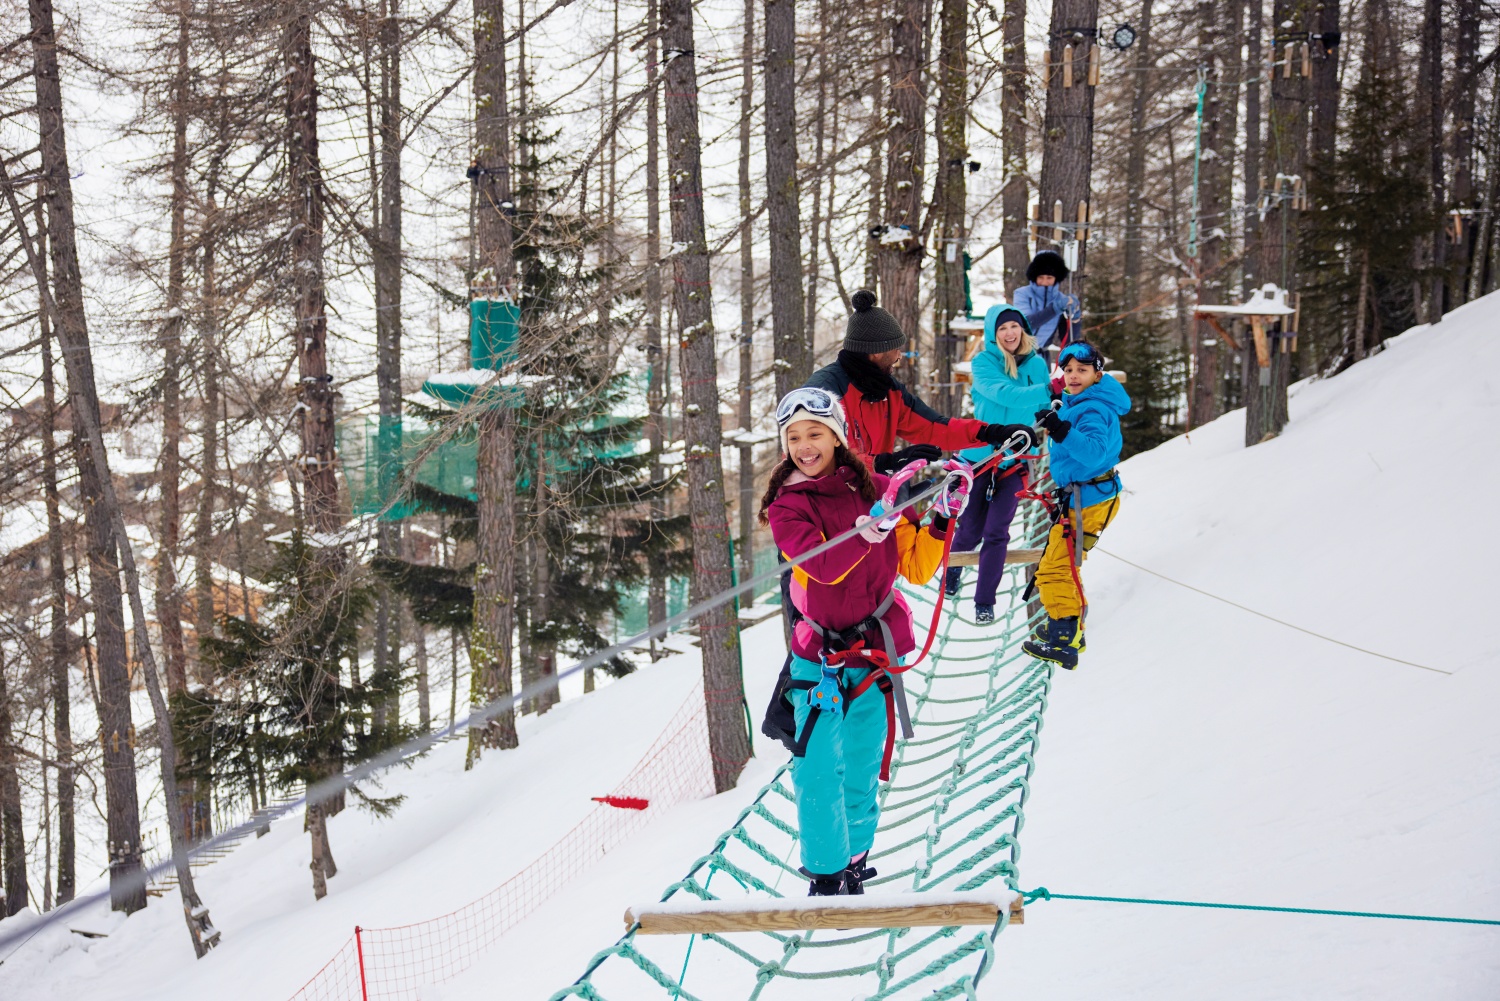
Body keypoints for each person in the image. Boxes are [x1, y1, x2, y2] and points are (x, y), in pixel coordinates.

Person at [761, 388, 972, 895]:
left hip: (875, 654)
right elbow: (823, 567)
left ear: (836, 436)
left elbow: (918, 567)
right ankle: (827, 873)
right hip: (819, 658)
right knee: (814, 770)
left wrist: (942, 518)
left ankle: (854, 858)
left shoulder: (879, 490)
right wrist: (867, 530)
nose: (804, 446)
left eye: (815, 433)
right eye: (794, 437)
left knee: (859, 765)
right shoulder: (785, 507)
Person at [806, 288, 1028, 472]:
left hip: (873, 503)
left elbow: (934, 427)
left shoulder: (887, 391)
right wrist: (882, 463)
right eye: (895, 349)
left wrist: (993, 432)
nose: (899, 356)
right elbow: (815, 455)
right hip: (826, 511)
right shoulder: (823, 392)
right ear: (874, 352)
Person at [1022, 342, 1131, 670]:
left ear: (1098, 374)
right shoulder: (1080, 400)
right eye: (1068, 370)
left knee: (1055, 567)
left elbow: (1095, 452)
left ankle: (1065, 638)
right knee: (1057, 564)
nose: (1072, 376)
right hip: (1082, 496)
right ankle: (1065, 625)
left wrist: (1060, 429)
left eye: (1082, 370)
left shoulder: (1093, 408)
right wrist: (1060, 417)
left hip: (1090, 501)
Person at [946, 305, 1054, 623]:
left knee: (997, 532)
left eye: (1015, 327)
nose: (1010, 333)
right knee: (970, 530)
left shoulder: (1036, 365)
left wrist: (1060, 401)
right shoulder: (983, 363)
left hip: (1014, 461)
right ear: (994, 333)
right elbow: (1006, 395)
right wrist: (1047, 390)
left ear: (1022, 330)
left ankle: (984, 602)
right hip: (980, 458)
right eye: (1003, 328)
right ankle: (951, 575)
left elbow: (1046, 406)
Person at [1012, 250, 1082, 353]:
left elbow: (1067, 340)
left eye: (1049, 278)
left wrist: (1075, 318)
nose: (1044, 282)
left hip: (1042, 355)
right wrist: (1054, 309)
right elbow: (1026, 323)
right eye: (1041, 277)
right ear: (1034, 276)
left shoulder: (1060, 299)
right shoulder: (1022, 294)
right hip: (1019, 353)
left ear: (1056, 278)